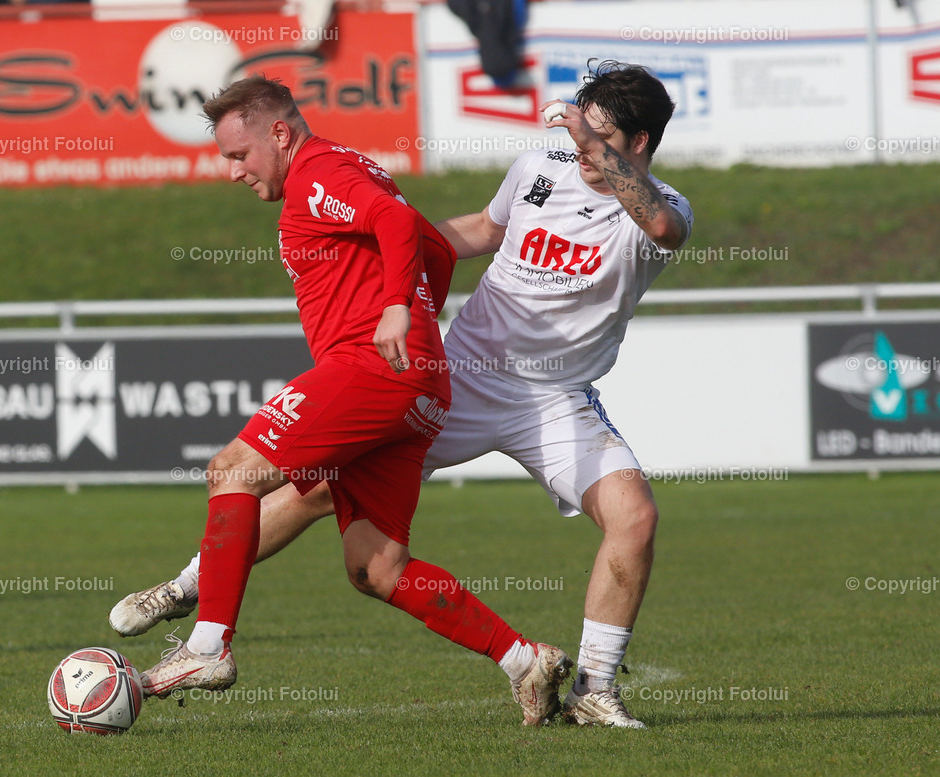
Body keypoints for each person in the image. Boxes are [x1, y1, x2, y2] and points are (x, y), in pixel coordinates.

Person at [113, 60, 693, 729]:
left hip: (555, 397)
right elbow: (478, 230)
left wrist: (395, 293)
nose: (582, 150)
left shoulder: (665, 207)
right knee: (322, 487)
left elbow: (661, 227)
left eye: (601, 140)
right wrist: (401, 285)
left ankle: (593, 690)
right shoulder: (540, 167)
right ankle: (189, 586)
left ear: (639, 143)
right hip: (464, 372)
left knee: (634, 517)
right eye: (579, 133)